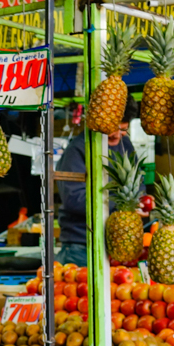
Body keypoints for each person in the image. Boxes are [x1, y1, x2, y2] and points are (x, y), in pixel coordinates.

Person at [56, 97, 139, 266]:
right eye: (112, 128)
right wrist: (123, 204)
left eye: (122, 129)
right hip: (82, 245)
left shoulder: (125, 145)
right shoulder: (77, 150)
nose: (117, 134)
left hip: (118, 242)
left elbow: (138, 182)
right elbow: (74, 199)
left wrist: (140, 200)